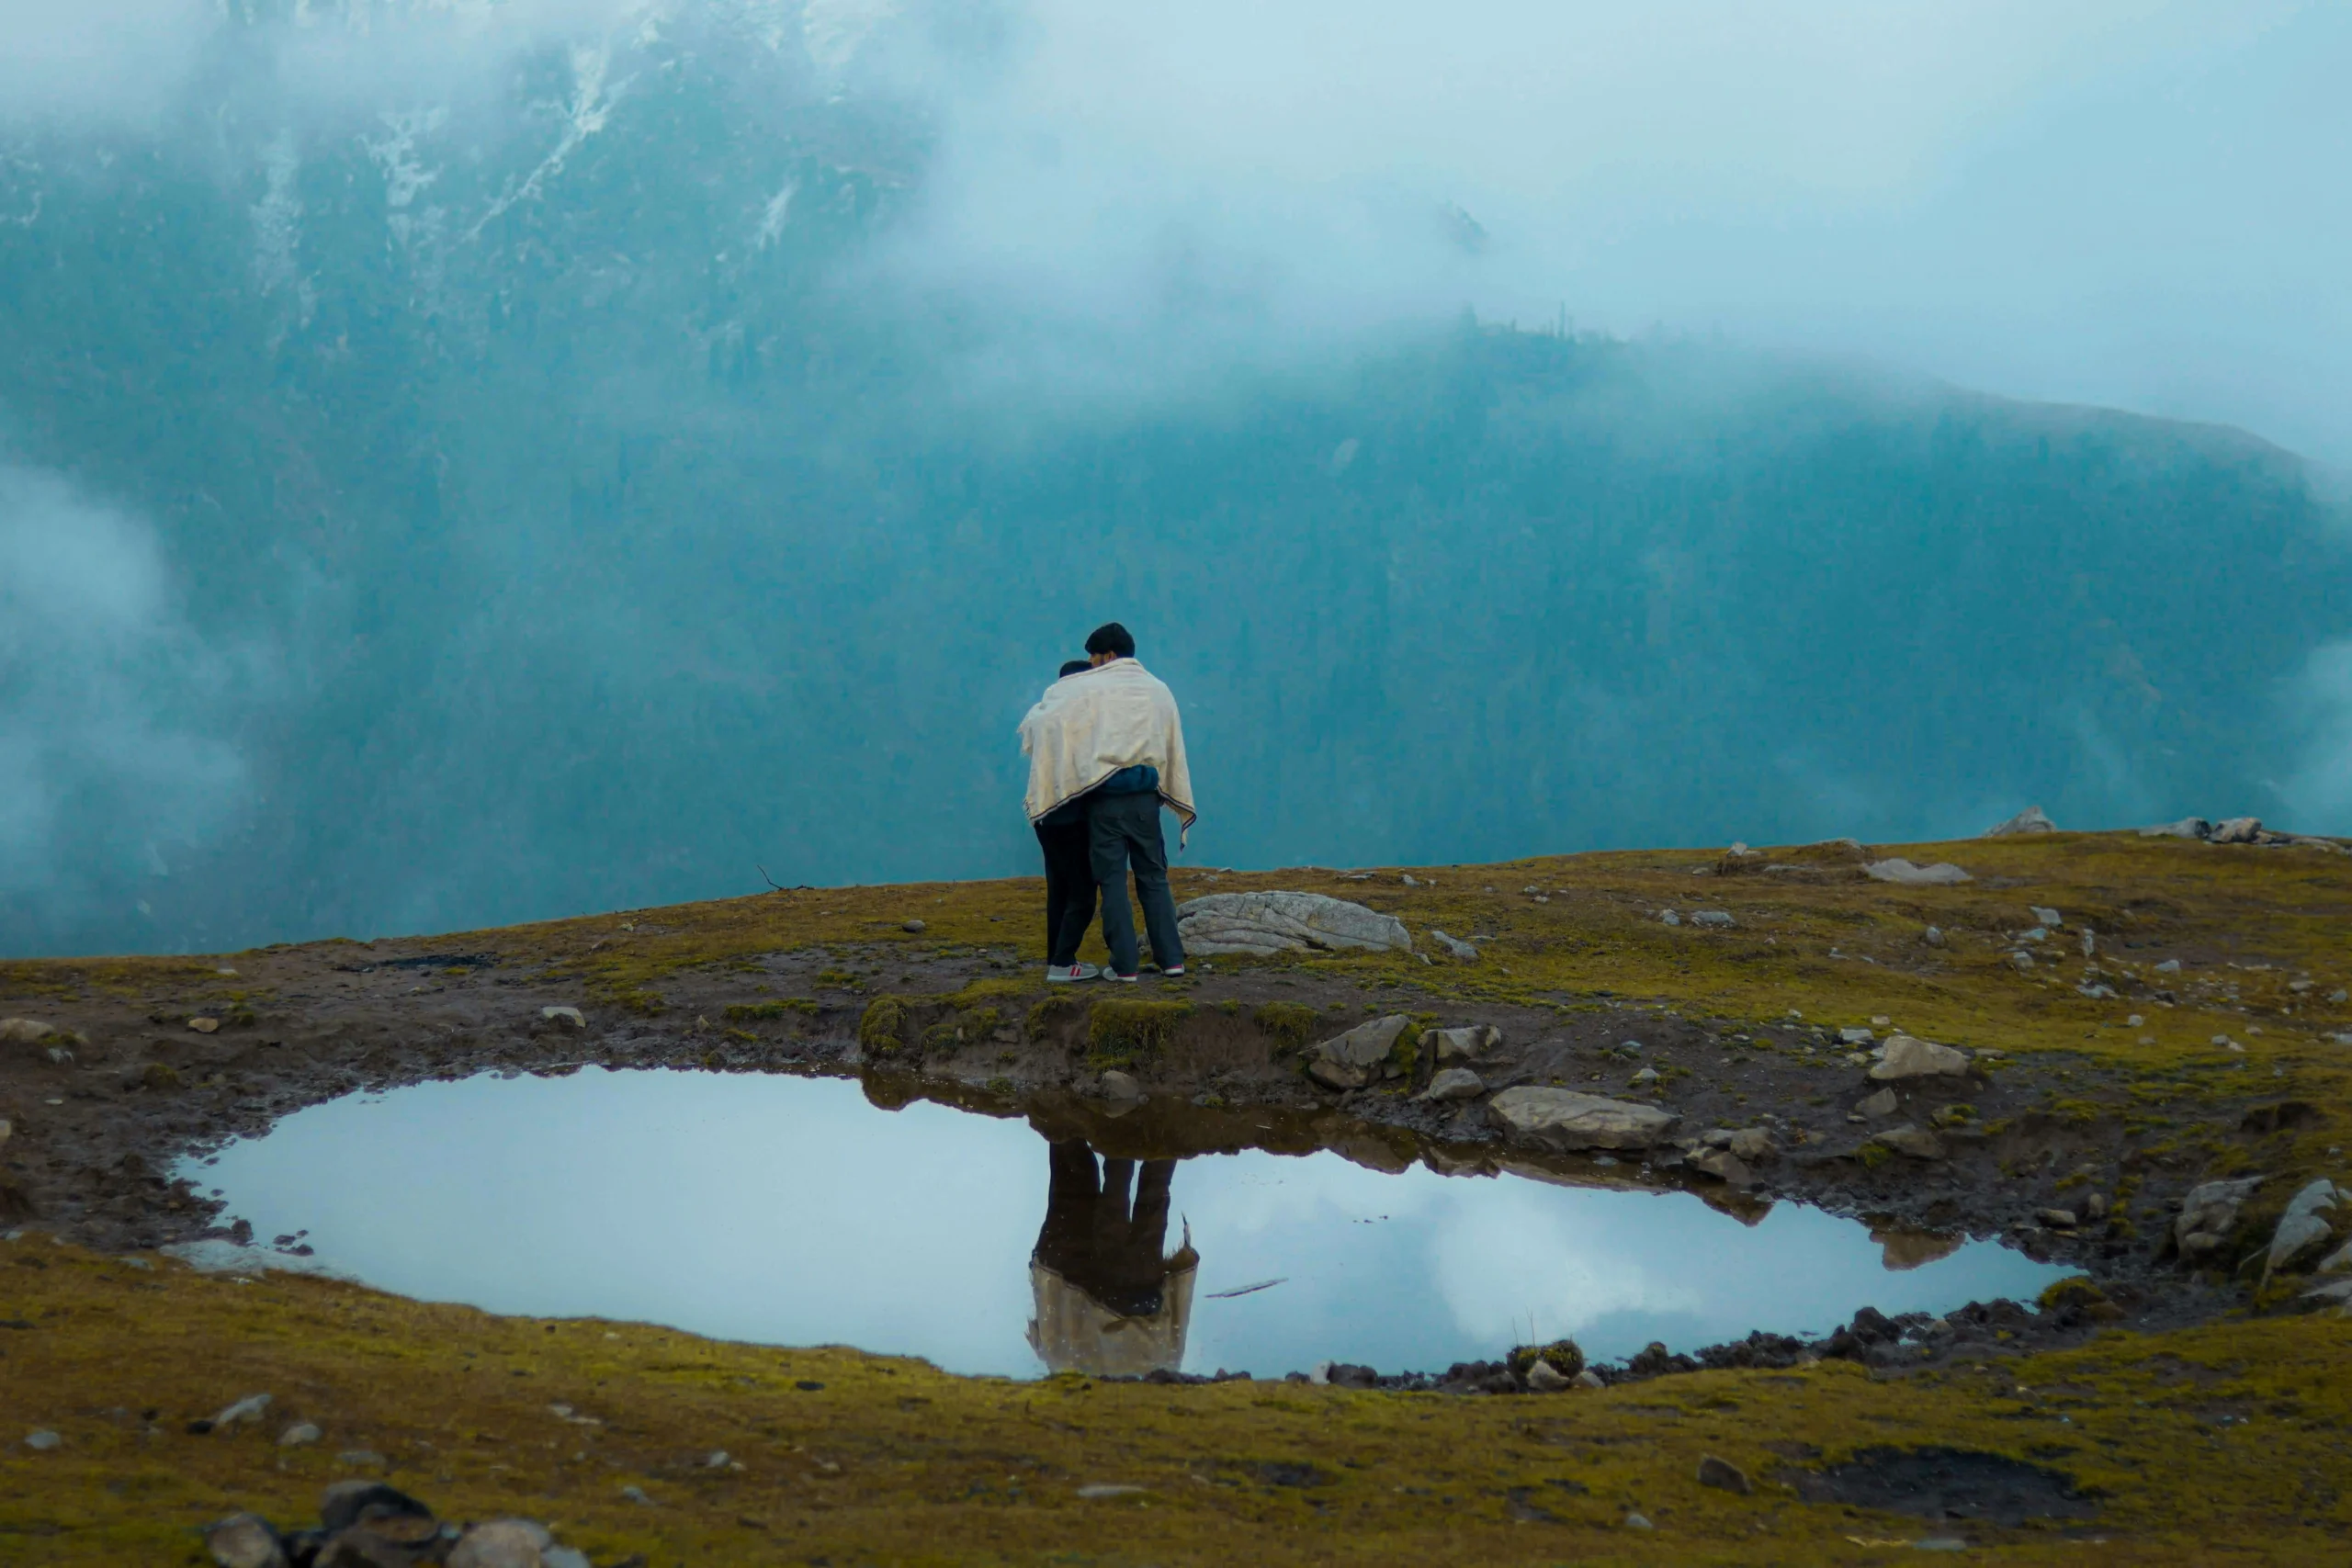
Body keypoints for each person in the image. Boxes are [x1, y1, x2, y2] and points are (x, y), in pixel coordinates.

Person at [1017, 621, 1196, 982]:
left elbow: (1042, 719)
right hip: (1147, 800)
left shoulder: (1089, 687)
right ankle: (1172, 960)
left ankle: (1124, 966)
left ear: (1109, 656)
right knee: (1154, 878)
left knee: (1112, 882)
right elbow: (1170, 741)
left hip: (1105, 800)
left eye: (1094, 658)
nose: (1091, 665)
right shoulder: (1159, 689)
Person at [1035, 660, 1101, 982]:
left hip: (1043, 814)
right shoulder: (1078, 719)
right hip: (1070, 815)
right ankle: (1063, 962)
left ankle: (1055, 958)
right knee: (1084, 892)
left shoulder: (1044, 713)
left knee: (1058, 889)